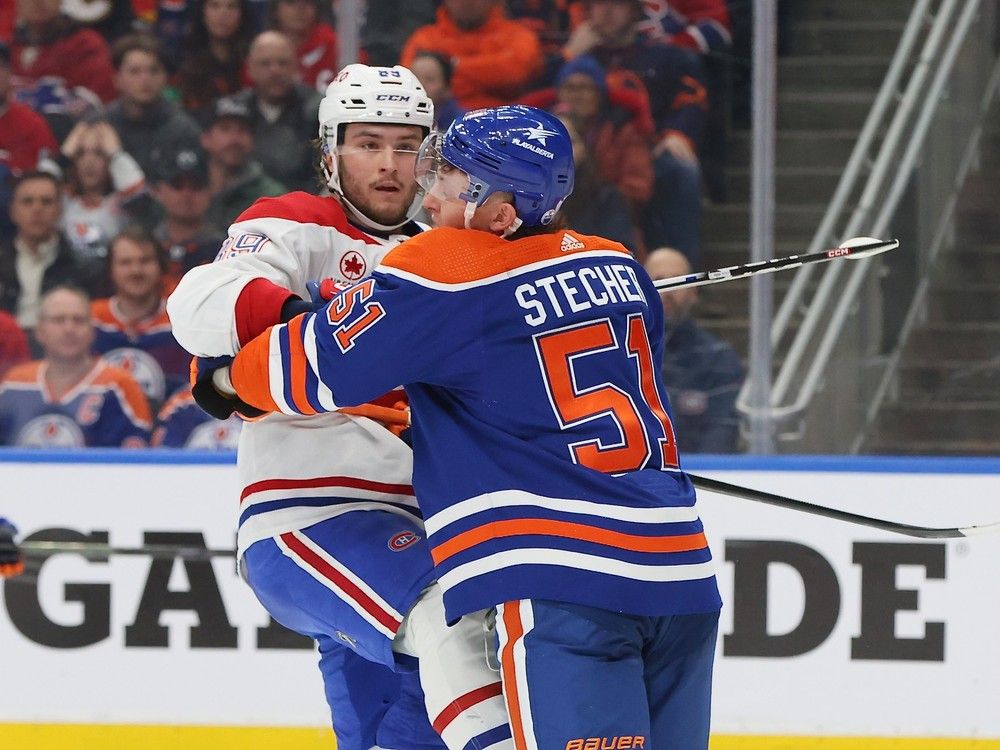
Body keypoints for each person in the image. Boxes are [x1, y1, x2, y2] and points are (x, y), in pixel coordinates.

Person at [215, 105, 722, 749]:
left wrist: (227, 380)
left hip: (561, 576)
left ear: (500, 214)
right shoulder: (621, 266)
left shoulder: (448, 270)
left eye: (452, 181)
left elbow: (304, 369)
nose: (428, 191)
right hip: (680, 572)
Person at [168, 64, 511, 750]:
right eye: (366, 142)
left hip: (422, 523)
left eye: (406, 144)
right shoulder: (294, 224)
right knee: (458, 613)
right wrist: (317, 327)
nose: (388, 163)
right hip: (312, 518)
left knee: (402, 721)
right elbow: (197, 306)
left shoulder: (450, 257)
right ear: (331, 152)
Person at [566, 0, 707, 266]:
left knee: (681, 171)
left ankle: (681, 276)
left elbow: (692, 97)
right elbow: (541, 95)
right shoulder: (578, 57)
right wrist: (568, 55)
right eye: (598, 5)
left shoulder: (664, 55)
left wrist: (678, 132)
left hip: (644, 150)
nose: (606, 11)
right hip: (584, 151)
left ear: (634, 11)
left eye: (617, 5)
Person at [0, 285, 151, 448]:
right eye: (58, 320)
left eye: (78, 320)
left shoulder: (120, 384)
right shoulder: (12, 383)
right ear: (39, 331)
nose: (69, 329)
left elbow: (137, 459)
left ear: (93, 330)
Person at [644, 247, 743, 453]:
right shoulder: (621, 354)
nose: (669, 290)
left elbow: (722, 432)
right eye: (660, 280)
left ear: (694, 292)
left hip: (698, 476)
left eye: (678, 280)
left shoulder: (718, 357)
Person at [91, 227, 190, 410]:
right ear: (110, 270)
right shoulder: (90, 319)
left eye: (145, 261)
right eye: (125, 263)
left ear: (161, 266)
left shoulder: (182, 318)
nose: (136, 271)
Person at [400, 0, 544, 111]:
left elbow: (515, 73)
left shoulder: (519, 35)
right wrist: (488, 76)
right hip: (435, 118)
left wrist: (452, 68)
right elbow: (408, 81)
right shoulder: (424, 37)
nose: (467, 2)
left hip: (502, 125)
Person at [0, 171, 93, 335]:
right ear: (12, 212)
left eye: (46, 202)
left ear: (60, 211)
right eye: (27, 202)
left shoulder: (85, 266)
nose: (37, 209)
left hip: (64, 349)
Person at [232, 31, 322, 193]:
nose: (275, 71)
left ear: (296, 67)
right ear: (250, 69)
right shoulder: (234, 113)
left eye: (283, 63)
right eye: (265, 64)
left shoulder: (317, 113)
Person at [105, 32, 202, 181]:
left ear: (165, 78)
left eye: (153, 71)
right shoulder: (101, 123)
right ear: (117, 79)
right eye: (135, 71)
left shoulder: (184, 130)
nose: (145, 79)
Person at [59, 120, 148, 275]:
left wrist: (115, 153)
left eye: (99, 153)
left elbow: (139, 193)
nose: (89, 162)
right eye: (80, 153)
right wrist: (63, 156)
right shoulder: (63, 202)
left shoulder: (122, 203)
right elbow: (35, 186)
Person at [199, 95, 286, 231]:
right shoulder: (187, 187)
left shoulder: (271, 196)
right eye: (225, 129)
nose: (234, 139)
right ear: (206, 138)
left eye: (242, 130)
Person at [177, 0, 256, 114]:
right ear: (202, 13)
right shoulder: (184, 59)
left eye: (232, 7)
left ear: (242, 15)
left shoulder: (253, 60)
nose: (223, 14)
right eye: (215, 6)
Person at [267, 0, 337, 92]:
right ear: (275, 8)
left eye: (307, 2)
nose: (300, 9)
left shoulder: (336, 46)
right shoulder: (264, 49)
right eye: (291, 2)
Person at [409, 52, 465, 133]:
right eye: (414, 77)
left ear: (447, 88)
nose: (420, 85)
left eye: (429, 79)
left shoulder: (461, 126)